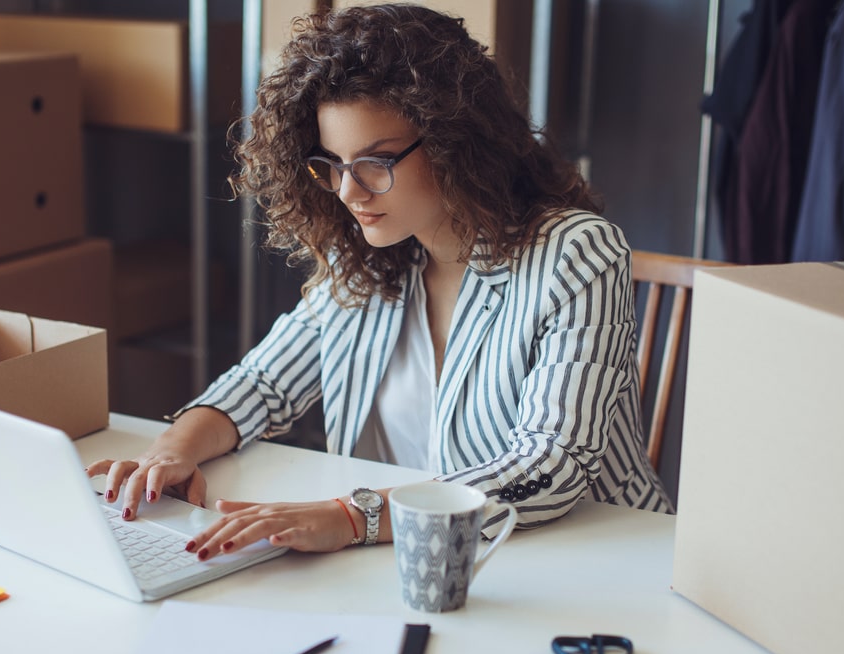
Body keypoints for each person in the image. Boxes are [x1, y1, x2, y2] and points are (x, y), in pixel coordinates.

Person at [89, 2, 671, 566]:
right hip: (415, 560)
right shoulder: (365, 259)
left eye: (377, 161)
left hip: (592, 562)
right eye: (333, 164)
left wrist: (350, 517)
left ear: (457, 144)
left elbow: (549, 465)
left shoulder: (575, 252)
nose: (348, 191)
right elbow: (264, 382)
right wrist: (169, 454)